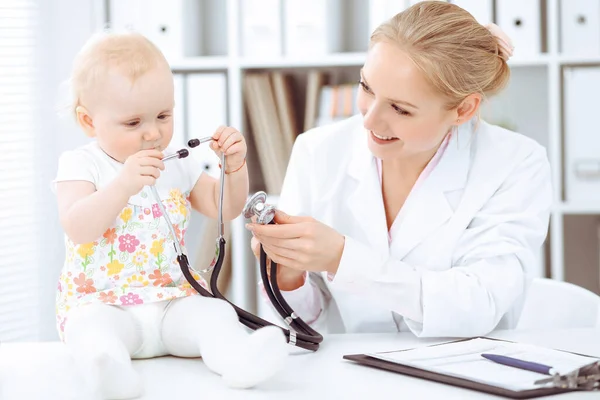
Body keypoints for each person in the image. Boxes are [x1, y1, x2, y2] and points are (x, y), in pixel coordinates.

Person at [248, 1, 552, 338]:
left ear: (464, 109)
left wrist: (342, 257)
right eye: (366, 88)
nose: (369, 119)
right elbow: (297, 329)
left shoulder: (516, 164)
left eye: (400, 109)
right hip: (352, 375)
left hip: (467, 377)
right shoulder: (317, 150)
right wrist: (287, 275)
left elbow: (477, 304)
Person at [53, 31, 287, 399]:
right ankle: (110, 372)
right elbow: (78, 227)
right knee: (90, 331)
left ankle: (240, 360)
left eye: (163, 115)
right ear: (88, 121)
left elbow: (223, 206)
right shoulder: (82, 164)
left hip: (171, 304)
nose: (152, 133)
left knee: (216, 315)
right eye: (133, 123)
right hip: (105, 304)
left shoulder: (177, 161)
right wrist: (123, 185)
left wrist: (235, 168)